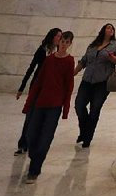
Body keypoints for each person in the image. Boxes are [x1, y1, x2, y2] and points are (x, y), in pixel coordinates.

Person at [23, 31, 75, 183]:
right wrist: (28, 104)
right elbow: (38, 82)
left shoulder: (69, 61)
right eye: (62, 41)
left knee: (45, 138)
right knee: (31, 135)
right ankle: (35, 158)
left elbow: (69, 86)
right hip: (40, 103)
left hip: (55, 106)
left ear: (70, 44)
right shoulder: (49, 60)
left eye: (67, 42)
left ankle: (34, 170)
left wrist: (65, 109)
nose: (64, 44)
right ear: (58, 42)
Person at [74, 23, 116, 147]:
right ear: (103, 30)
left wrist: (114, 59)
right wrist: (73, 72)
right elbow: (84, 60)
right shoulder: (93, 45)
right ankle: (84, 131)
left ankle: (87, 138)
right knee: (79, 105)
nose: (111, 29)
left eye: (112, 28)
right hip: (87, 80)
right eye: (108, 27)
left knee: (95, 109)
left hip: (102, 82)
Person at [14, 27, 62, 155]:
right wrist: (21, 87)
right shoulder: (42, 51)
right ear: (52, 37)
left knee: (41, 118)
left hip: (50, 89)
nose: (60, 39)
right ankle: (22, 144)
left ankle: (33, 142)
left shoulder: (58, 52)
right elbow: (31, 68)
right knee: (30, 116)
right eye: (58, 36)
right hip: (37, 87)